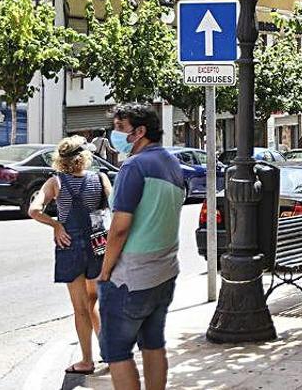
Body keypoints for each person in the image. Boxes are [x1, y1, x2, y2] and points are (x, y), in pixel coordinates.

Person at [98, 103, 186, 390]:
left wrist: (105, 271)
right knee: (153, 344)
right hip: (164, 271)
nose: (115, 134)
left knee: (117, 352)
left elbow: (120, 227)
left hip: (130, 276)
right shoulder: (171, 163)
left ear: (140, 132)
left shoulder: (134, 166)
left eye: (121, 129)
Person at [28, 136, 113, 376]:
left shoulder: (55, 182)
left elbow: (34, 210)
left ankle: (87, 360)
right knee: (95, 300)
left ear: (61, 160)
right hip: (99, 244)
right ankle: (110, 351)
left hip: (69, 246)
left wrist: (56, 226)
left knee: (81, 308)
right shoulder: (100, 178)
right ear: (85, 157)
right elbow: (116, 207)